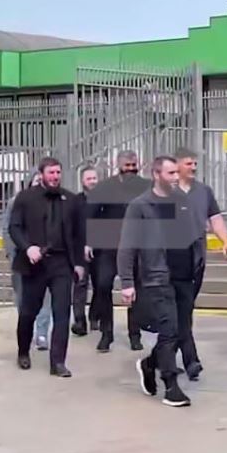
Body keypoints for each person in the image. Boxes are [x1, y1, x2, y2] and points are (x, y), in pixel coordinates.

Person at [118, 155, 198, 408]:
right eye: (170, 173)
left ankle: (149, 363)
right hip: (157, 277)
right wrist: (127, 282)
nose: (176, 177)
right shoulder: (140, 206)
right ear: (156, 174)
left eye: (176, 173)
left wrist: (197, 266)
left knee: (180, 332)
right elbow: (127, 245)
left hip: (183, 276)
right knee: (169, 329)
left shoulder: (182, 202)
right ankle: (171, 386)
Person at [9, 157, 87, 377]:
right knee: (28, 312)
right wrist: (27, 248)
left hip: (61, 263)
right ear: (41, 174)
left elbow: (79, 234)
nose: (55, 177)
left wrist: (79, 263)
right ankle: (23, 351)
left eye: (58, 173)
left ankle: (58, 362)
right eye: (51, 173)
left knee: (62, 313)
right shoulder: (25, 198)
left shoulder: (70, 200)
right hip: (35, 263)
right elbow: (14, 227)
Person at [173, 147, 227, 380]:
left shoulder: (204, 191)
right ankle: (191, 360)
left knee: (184, 310)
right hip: (173, 258)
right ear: (177, 165)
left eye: (195, 164)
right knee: (183, 310)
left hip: (196, 257)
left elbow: (215, 218)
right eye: (189, 163)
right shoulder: (167, 191)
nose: (194, 168)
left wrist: (225, 240)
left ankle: (163, 357)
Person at [85, 150, 151, 352]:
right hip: (108, 247)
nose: (130, 169)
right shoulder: (104, 187)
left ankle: (135, 335)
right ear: (118, 165)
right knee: (103, 286)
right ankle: (106, 334)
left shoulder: (146, 186)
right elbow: (91, 216)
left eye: (133, 165)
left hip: (137, 247)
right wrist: (88, 242)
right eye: (127, 165)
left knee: (136, 290)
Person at [3, 170, 51, 350]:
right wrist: (11, 253)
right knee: (22, 297)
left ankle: (42, 333)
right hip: (21, 257)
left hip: (45, 259)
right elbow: (7, 229)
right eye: (36, 180)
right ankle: (26, 330)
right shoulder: (16, 202)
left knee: (45, 297)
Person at [70, 165, 99, 337]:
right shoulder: (75, 202)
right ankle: (79, 321)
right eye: (89, 179)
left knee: (100, 285)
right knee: (80, 285)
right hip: (79, 251)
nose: (93, 181)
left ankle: (95, 316)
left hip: (100, 250)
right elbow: (72, 228)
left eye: (94, 178)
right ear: (82, 181)